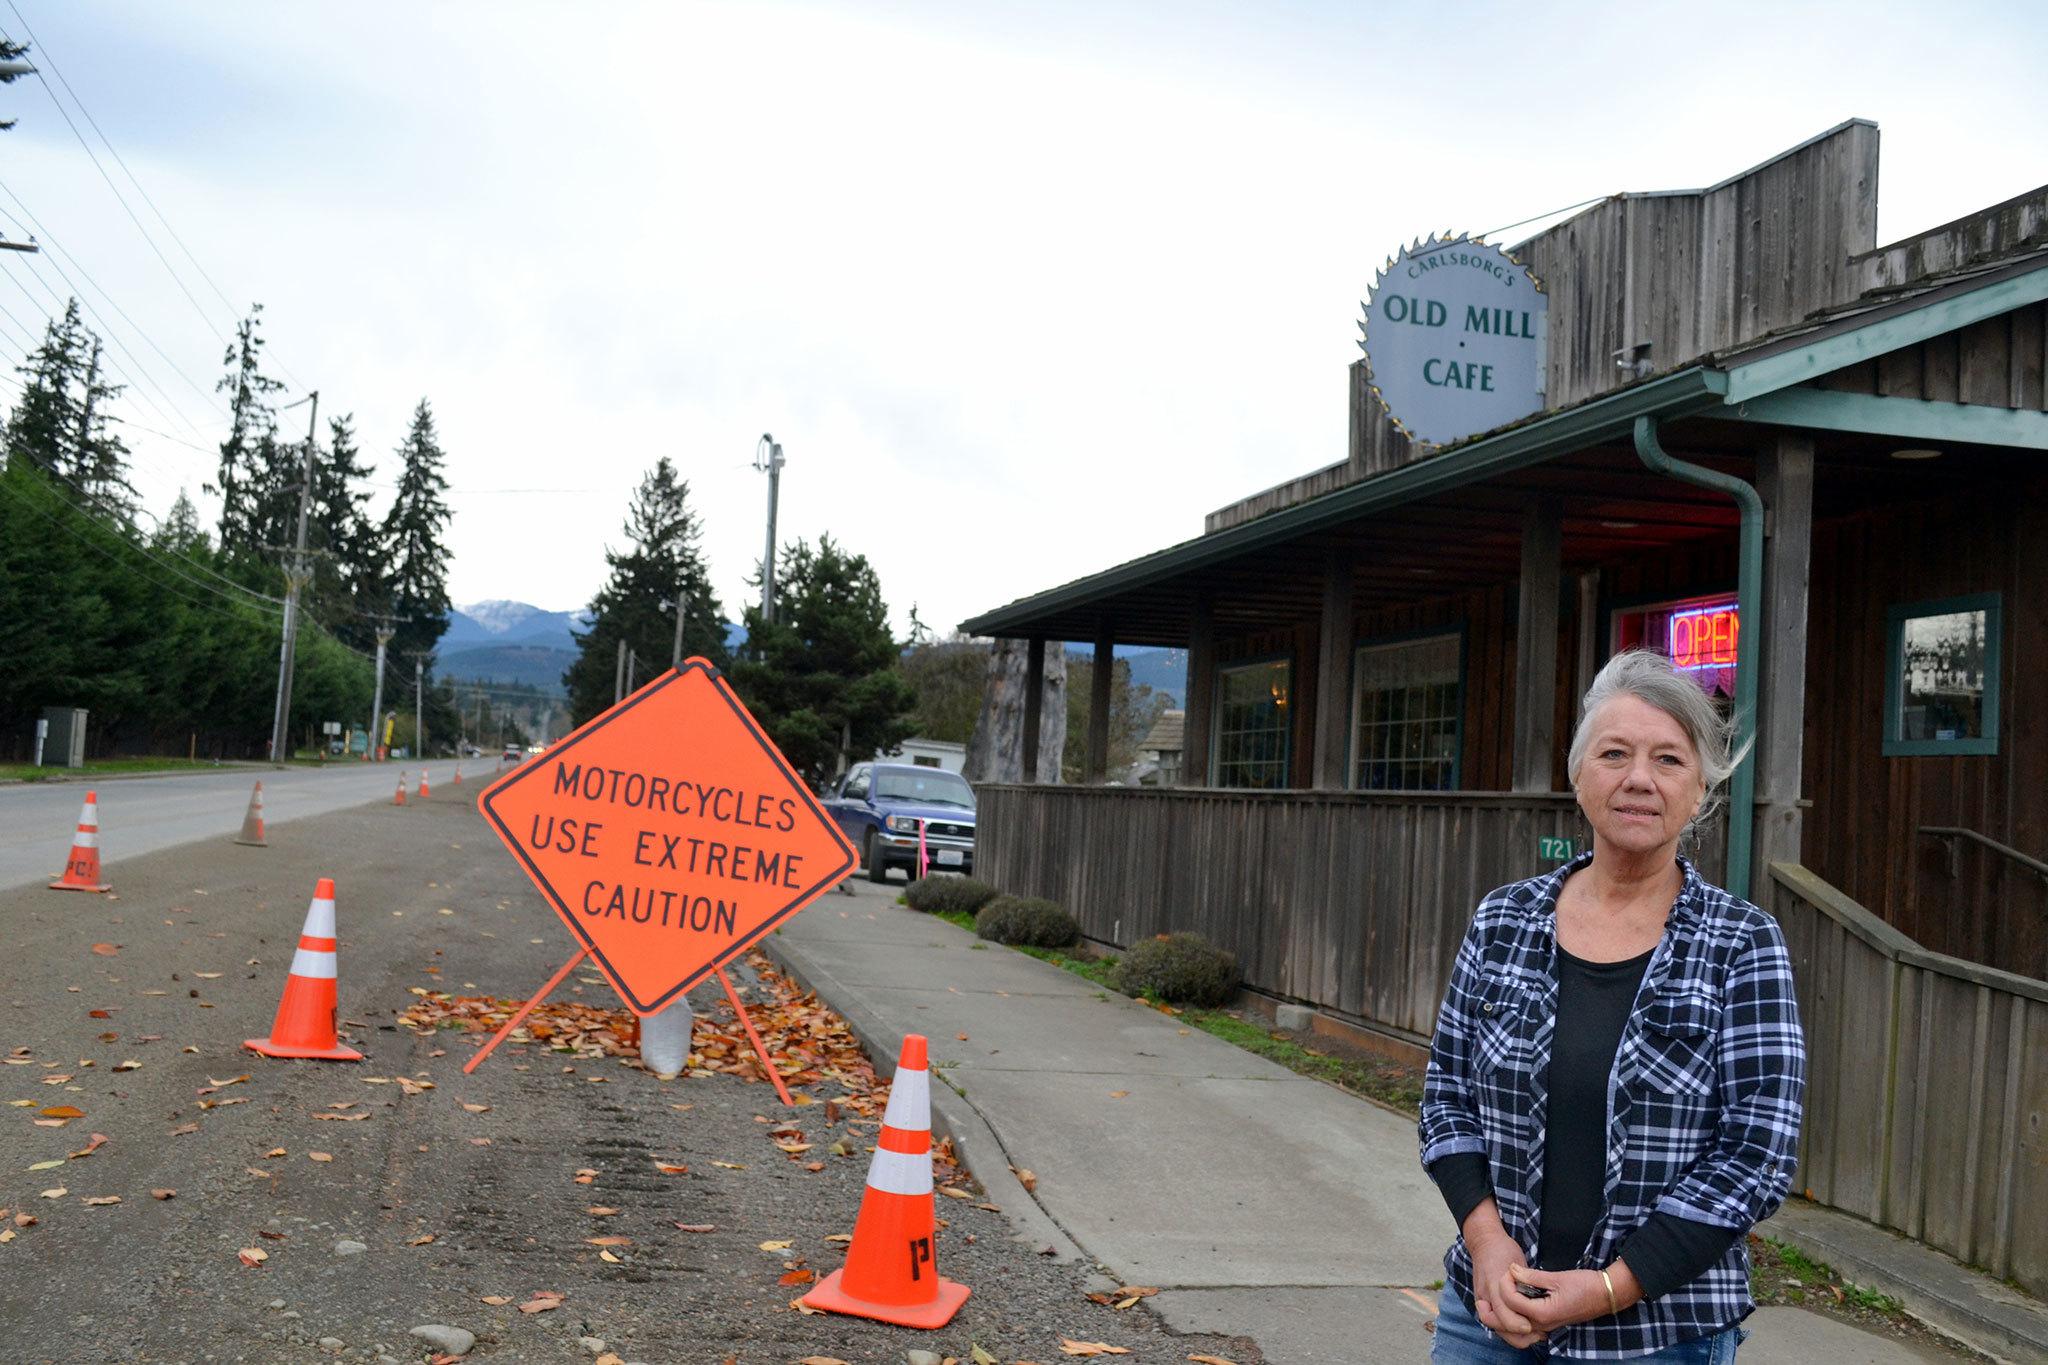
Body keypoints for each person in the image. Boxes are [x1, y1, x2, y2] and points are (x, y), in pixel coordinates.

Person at [1419, 650, 1805, 1361]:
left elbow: (1756, 1155)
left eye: (1667, 759)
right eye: (1615, 752)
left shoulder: (1742, 944)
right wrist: (1488, 1243)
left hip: (1659, 1332)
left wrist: (1606, 1288)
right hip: (1490, 1311)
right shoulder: (1503, 919)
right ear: (1578, 773)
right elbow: (1447, 1096)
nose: (1638, 778)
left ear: (1700, 790)